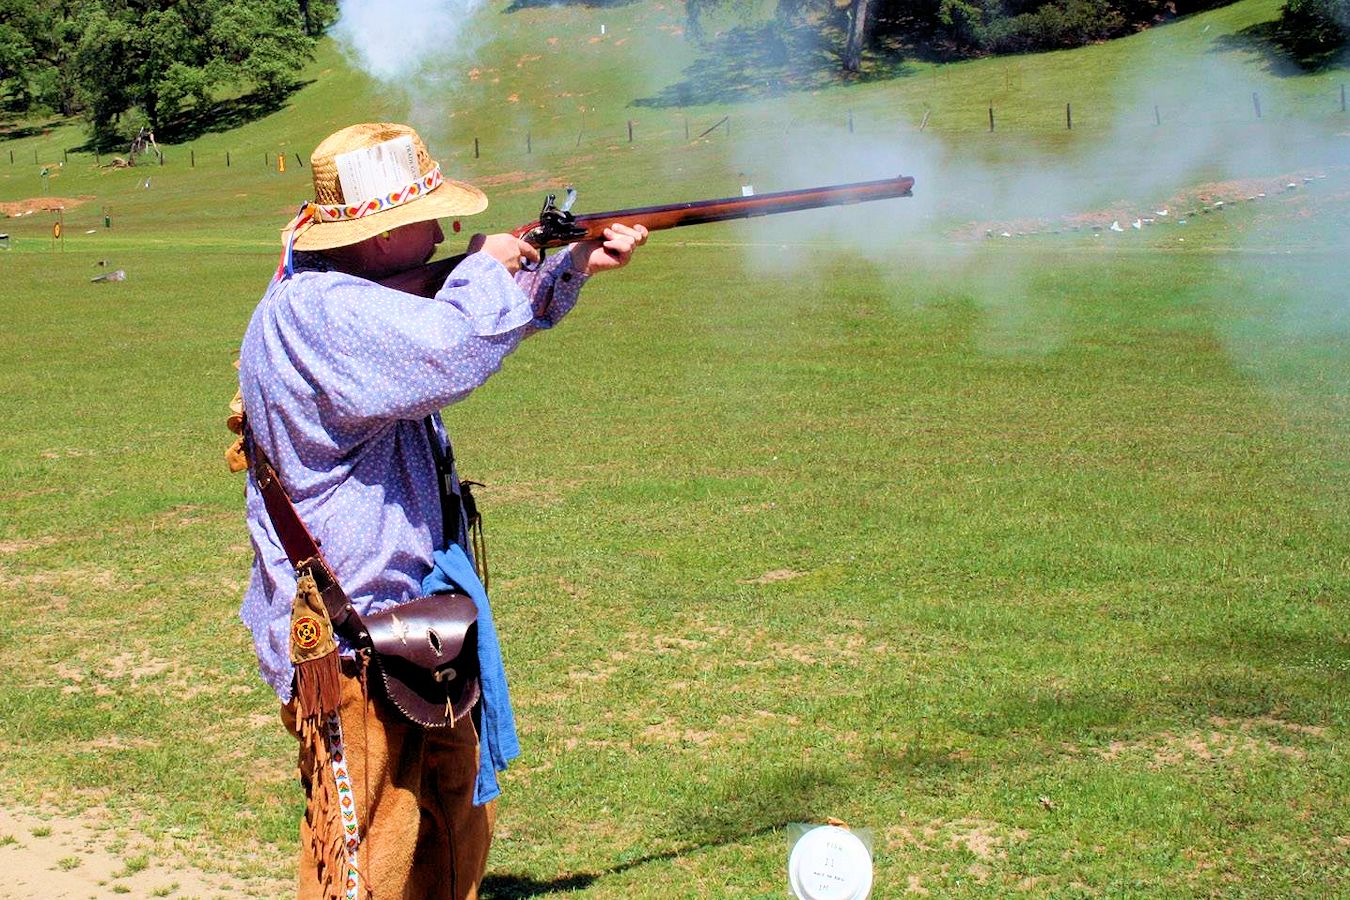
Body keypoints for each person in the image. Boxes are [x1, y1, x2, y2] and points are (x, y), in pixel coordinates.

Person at [233, 122, 646, 900]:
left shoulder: (351, 297)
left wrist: (568, 267)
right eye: (425, 219)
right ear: (380, 234)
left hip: (416, 623)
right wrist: (489, 264)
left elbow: (456, 329)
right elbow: (453, 346)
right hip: (353, 641)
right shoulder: (322, 312)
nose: (444, 232)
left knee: (449, 833)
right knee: (365, 859)